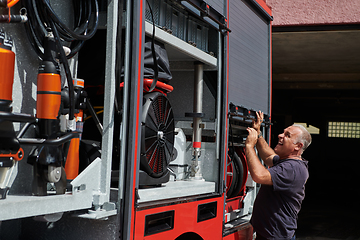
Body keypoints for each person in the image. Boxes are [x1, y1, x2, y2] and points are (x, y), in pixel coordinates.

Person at [245, 111, 311, 240]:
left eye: (287, 135)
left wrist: (249, 146)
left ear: (298, 146)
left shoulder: (292, 169)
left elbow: (259, 176)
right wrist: (258, 134)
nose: (280, 135)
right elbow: (269, 157)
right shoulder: (288, 161)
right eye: (283, 132)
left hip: (275, 236)